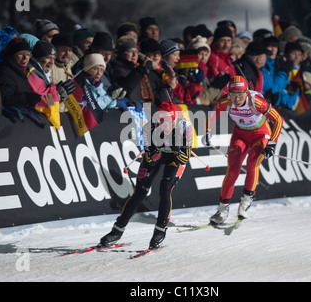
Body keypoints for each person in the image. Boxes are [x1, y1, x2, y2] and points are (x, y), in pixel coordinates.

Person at [99, 101, 193, 249]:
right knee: (140, 191)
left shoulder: (185, 127)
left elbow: (184, 157)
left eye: (170, 122)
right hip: (158, 155)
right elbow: (150, 158)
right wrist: (160, 146)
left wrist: (173, 146)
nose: (166, 127)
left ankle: (160, 230)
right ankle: (117, 231)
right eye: (162, 123)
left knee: (165, 188)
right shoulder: (149, 128)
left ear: (176, 119)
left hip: (175, 158)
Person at [204, 76, 283, 224]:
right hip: (240, 134)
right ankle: (222, 211)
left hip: (260, 134)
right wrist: (207, 131)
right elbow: (213, 113)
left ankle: (245, 203)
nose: (236, 99)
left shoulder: (256, 102)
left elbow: (278, 119)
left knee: (253, 164)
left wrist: (272, 142)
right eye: (233, 94)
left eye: (240, 94)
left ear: (246, 93)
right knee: (233, 169)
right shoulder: (226, 101)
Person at [0, 37, 41, 110]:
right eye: (21, 54)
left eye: (28, 54)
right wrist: (26, 98)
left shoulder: (23, 72)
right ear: (12, 55)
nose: (25, 57)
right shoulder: (5, 71)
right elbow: (5, 99)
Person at [207, 26, 236, 96]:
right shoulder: (213, 58)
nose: (226, 45)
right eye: (222, 41)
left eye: (229, 41)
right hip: (222, 100)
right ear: (216, 41)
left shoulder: (228, 58)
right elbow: (216, 86)